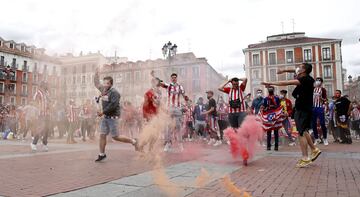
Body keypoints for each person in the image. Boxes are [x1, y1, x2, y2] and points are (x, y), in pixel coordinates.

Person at [261, 63, 321, 168]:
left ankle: (305, 158)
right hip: (302, 109)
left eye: (300, 67)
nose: (297, 69)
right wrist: (283, 71)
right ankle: (314, 149)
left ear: (303, 71)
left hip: (303, 110)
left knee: (301, 133)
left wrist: (270, 83)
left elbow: (287, 82)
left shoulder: (305, 79)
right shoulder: (307, 77)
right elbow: (293, 70)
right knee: (304, 131)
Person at [94, 68, 140, 162]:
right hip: (105, 118)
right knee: (102, 135)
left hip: (112, 118)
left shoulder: (115, 93)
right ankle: (102, 154)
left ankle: (134, 141)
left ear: (111, 84)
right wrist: (96, 74)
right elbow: (96, 84)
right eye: (104, 83)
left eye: (107, 83)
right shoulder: (103, 89)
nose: (105, 85)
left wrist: (102, 112)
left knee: (116, 137)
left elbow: (113, 105)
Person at [218, 77, 248, 165]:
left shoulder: (241, 88)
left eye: (236, 84)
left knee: (241, 132)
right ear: (232, 84)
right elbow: (219, 88)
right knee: (235, 132)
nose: (235, 85)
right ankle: (237, 148)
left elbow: (245, 79)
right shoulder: (229, 90)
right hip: (231, 114)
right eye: (234, 84)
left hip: (241, 112)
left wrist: (238, 79)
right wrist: (228, 81)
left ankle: (244, 155)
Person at [160, 73, 188, 152]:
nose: (174, 79)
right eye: (172, 78)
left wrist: (187, 102)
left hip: (177, 109)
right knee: (168, 127)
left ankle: (180, 144)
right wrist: (157, 79)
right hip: (169, 108)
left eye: (175, 77)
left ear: (177, 78)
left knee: (178, 126)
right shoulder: (168, 86)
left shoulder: (180, 87)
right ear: (171, 78)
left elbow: (184, 95)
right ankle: (168, 143)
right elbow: (161, 84)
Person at [31, 81, 51, 152]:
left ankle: (44, 144)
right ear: (42, 86)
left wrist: (49, 106)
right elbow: (34, 102)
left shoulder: (47, 93)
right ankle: (34, 143)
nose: (47, 86)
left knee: (47, 130)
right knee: (40, 129)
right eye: (45, 85)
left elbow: (49, 102)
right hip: (40, 114)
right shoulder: (38, 92)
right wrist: (38, 109)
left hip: (47, 114)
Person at [262, 86, 280, 151]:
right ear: (268, 91)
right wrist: (265, 108)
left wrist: (275, 106)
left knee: (276, 131)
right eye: (269, 89)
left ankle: (276, 146)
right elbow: (264, 107)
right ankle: (268, 146)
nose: (270, 90)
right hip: (268, 116)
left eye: (271, 89)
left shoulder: (276, 98)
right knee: (268, 131)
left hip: (275, 116)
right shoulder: (266, 99)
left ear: (273, 90)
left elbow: (279, 106)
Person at [312, 77, 328, 145]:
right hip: (313, 108)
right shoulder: (312, 89)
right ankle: (316, 138)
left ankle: (325, 138)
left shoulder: (323, 89)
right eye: (317, 80)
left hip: (320, 107)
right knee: (313, 124)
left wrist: (321, 98)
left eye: (319, 80)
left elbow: (325, 99)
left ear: (321, 82)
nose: (318, 82)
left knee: (322, 123)